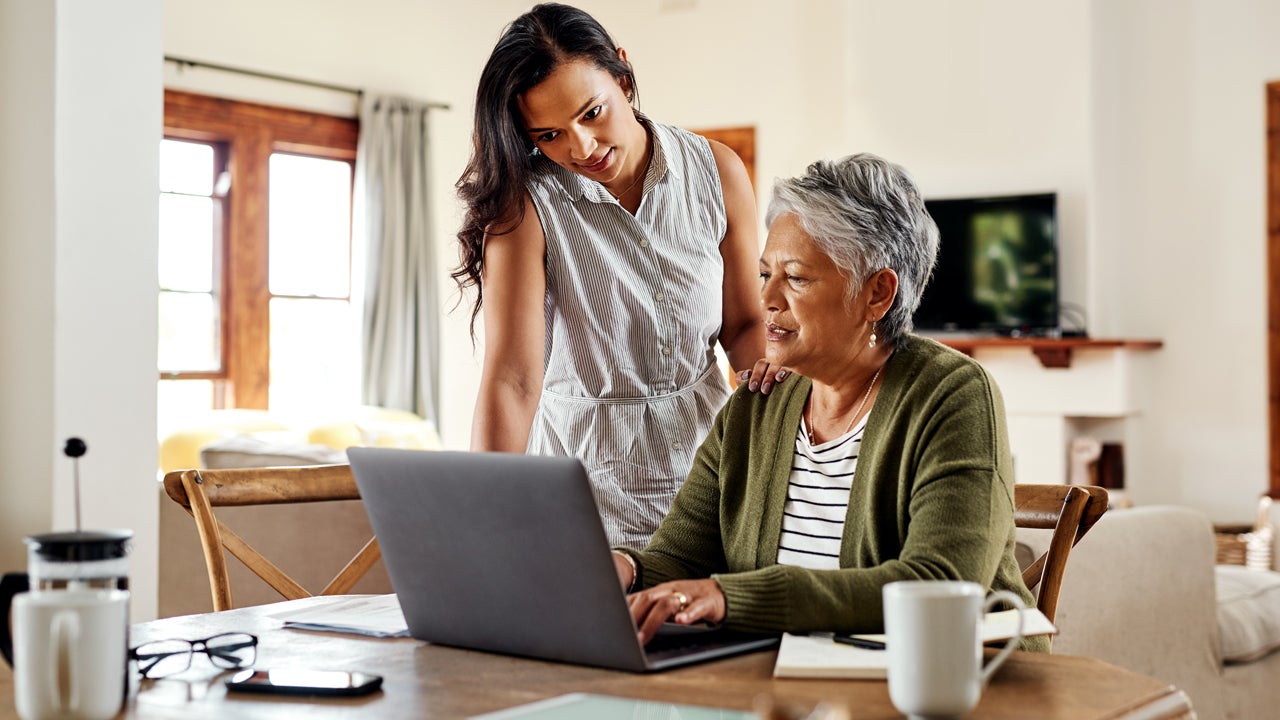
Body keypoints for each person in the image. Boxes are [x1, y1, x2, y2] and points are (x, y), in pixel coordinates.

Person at [610, 153, 1049, 652]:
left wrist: (732, 597)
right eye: (764, 274)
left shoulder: (953, 394)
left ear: (877, 294)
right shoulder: (756, 403)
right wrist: (624, 568)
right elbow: (681, 557)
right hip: (787, 683)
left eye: (796, 278)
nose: (767, 299)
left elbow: (941, 583)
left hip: (949, 683)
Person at [453, 3, 780, 549]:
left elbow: (744, 323)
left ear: (623, 78)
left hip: (707, 483)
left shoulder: (716, 171)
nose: (580, 148)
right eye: (549, 135)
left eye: (591, 113)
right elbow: (512, 379)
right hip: (583, 497)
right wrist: (488, 522)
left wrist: (778, 413)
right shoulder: (525, 207)